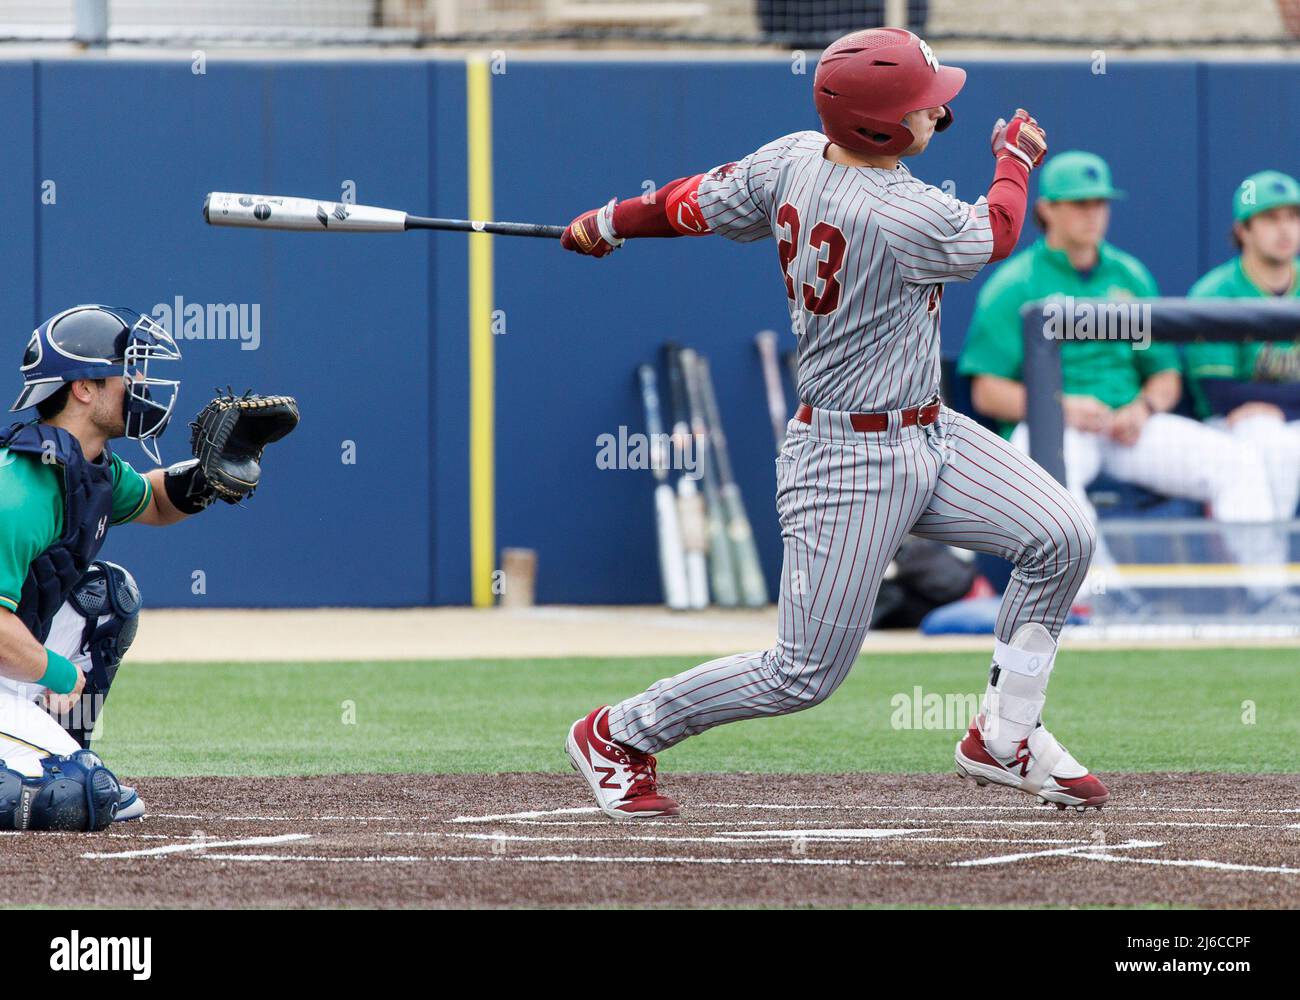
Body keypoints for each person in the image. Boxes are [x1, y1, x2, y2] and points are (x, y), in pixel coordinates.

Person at [558, 28, 1109, 819]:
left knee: (1061, 535)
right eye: (924, 106)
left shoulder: (792, 157)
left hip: (931, 431)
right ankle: (618, 732)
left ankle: (1006, 733)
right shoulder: (901, 211)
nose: (938, 112)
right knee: (801, 673)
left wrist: (610, 220)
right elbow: (1000, 230)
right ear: (879, 126)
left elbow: (686, 203)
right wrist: (1016, 158)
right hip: (846, 458)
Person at [0, 304, 297, 830]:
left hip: (8, 675)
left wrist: (207, 475)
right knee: (78, 798)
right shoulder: (19, 489)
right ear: (84, 388)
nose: (139, 382)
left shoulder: (91, 469)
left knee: (108, 596)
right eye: (126, 370)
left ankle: (59, 753)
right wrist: (61, 672)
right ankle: (51, 771)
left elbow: (157, 502)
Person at [958, 151, 1277, 600]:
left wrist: (1143, 406)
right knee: (1053, 485)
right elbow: (986, 391)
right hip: (1056, 429)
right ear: (1048, 209)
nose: (1093, 214)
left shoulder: (1129, 274)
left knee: (1235, 461)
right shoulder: (1015, 281)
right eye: (1079, 204)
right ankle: (1101, 604)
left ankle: (1268, 597)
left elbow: (1165, 376)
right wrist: (1059, 407)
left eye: (1100, 203)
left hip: (1128, 426)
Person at [1185, 170, 1300, 529]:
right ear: (1242, 230)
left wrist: (1274, 400)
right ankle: (1270, 581)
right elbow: (1220, 393)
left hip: (1284, 417)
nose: (1285, 229)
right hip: (1233, 424)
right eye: (1269, 218)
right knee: (1272, 441)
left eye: (1292, 216)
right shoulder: (1215, 292)